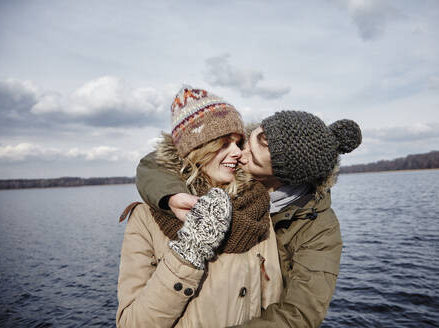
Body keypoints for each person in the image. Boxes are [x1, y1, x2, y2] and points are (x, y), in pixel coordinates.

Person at [137, 109, 362, 327]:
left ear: (282, 177)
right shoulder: (235, 162)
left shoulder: (319, 228)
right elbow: (159, 160)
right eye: (247, 142)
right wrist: (171, 195)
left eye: (252, 158)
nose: (238, 154)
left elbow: (300, 314)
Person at [116, 87, 283, 327]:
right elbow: (131, 323)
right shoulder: (146, 218)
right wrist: (188, 253)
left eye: (238, 142)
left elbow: (272, 301)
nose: (237, 152)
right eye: (224, 143)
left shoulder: (257, 203)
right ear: (196, 150)